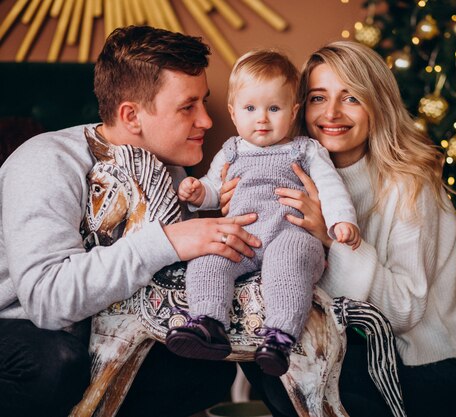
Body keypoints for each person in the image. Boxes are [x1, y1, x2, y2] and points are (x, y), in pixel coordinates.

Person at [0, 25, 262, 417]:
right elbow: (47, 301)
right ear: (131, 115)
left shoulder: (168, 172)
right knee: (56, 365)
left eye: (203, 103)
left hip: (109, 329)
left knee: (205, 371)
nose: (207, 121)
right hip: (23, 328)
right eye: (188, 107)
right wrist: (169, 241)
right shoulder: (45, 161)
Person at [238, 41, 456, 417]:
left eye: (351, 98)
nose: (332, 113)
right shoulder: (295, 171)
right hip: (355, 342)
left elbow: (404, 311)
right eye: (318, 98)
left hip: (433, 360)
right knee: (263, 350)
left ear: (378, 105)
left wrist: (330, 237)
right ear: (299, 108)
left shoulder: (411, 184)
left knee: (298, 373)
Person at [165, 49, 361, 377]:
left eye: (274, 108)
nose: (262, 119)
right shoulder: (232, 149)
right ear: (233, 111)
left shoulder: (305, 149)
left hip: (290, 232)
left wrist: (342, 221)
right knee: (208, 257)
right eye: (250, 108)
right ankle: (207, 323)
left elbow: (331, 188)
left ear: (293, 110)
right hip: (243, 236)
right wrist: (198, 193)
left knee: (290, 264)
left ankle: (281, 336)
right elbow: (216, 187)